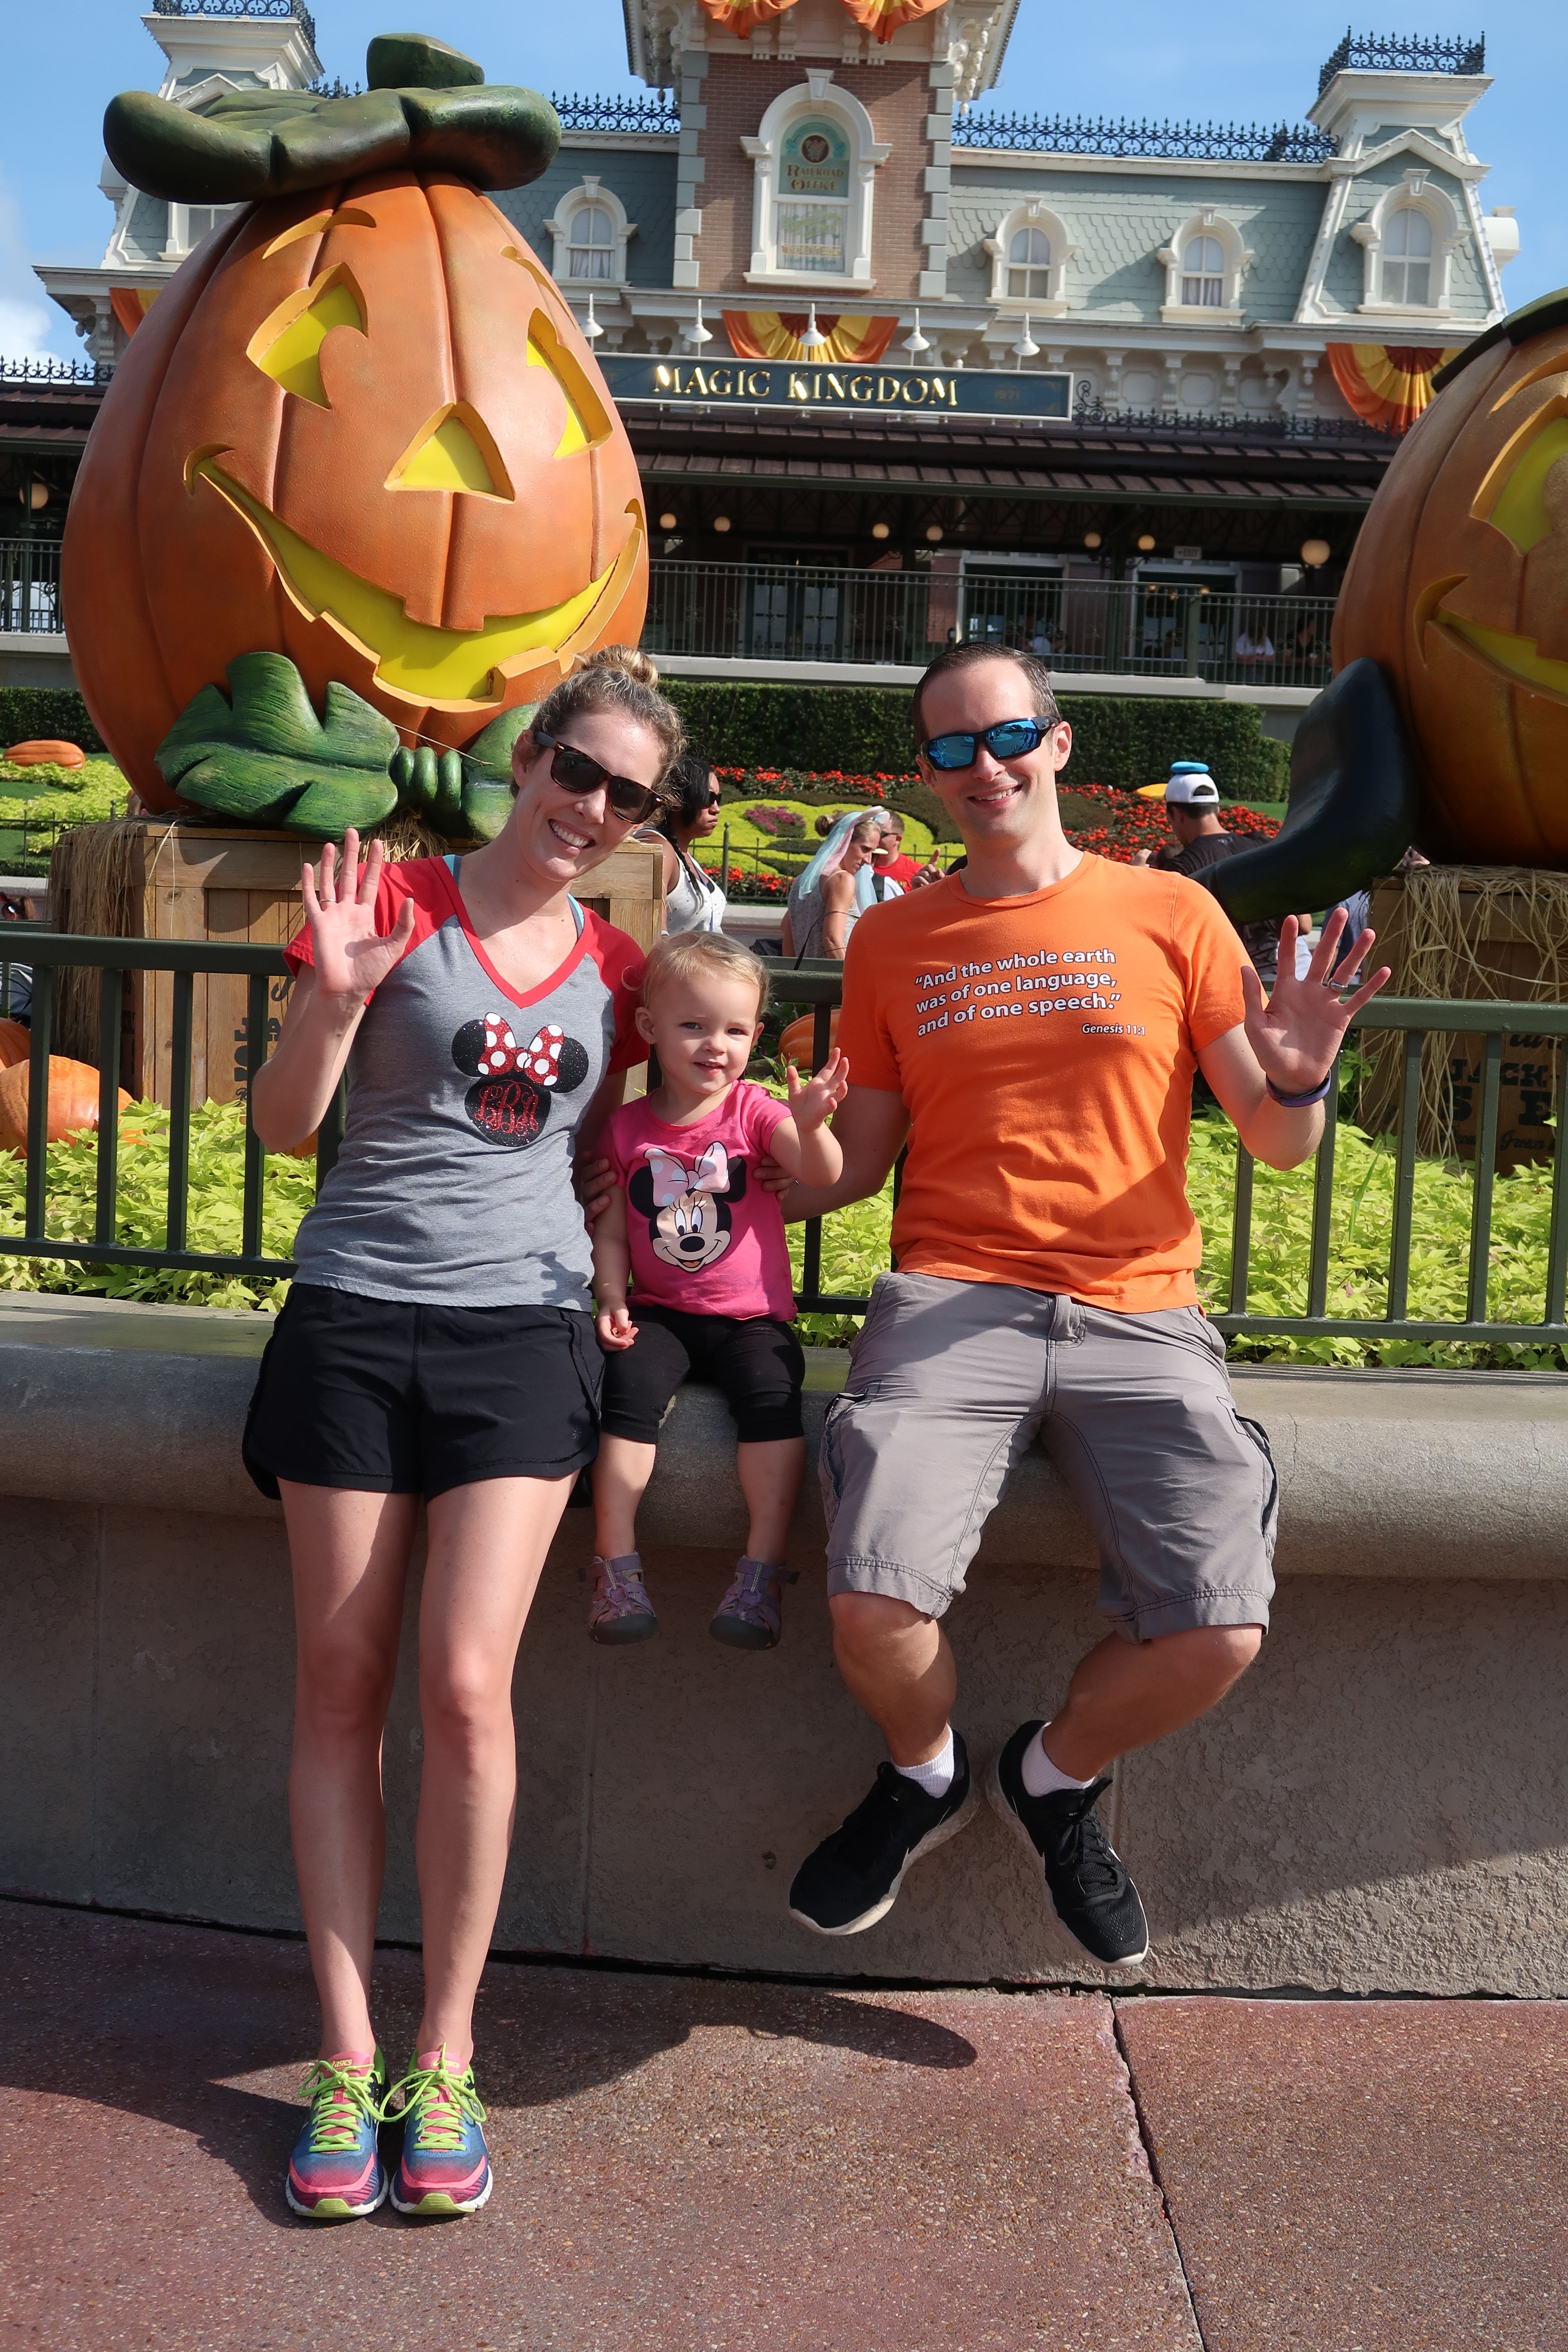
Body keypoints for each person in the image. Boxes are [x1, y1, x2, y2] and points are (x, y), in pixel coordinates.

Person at [781, 641, 1388, 1965]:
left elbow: (1279, 1142)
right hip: (951, 1305)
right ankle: (924, 1771)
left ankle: (1050, 1781)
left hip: (1138, 1312)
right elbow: (859, 1166)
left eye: (1004, 736)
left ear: (1057, 744)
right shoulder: (890, 938)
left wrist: (1294, 1075)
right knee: (873, 1608)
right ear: (931, 776)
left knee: (1219, 1626)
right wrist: (773, 1156)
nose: (981, 764)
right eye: (949, 747)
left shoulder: (1170, 915)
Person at [245, 647, 683, 2223]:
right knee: (342, 1679)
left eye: (629, 795)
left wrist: (641, 1271)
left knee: (466, 1679)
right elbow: (286, 1127)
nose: (593, 808)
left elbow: (615, 1154)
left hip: (521, 1339)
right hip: (356, 1316)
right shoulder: (394, 902)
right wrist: (334, 992)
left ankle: (447, 2051)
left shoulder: (624, 970)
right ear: (529, 758)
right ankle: (346, 2056)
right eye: (578, 771)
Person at [583, 930, 849, 1647]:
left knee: (771, 1403)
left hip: (750, 1318)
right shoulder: (627, 1127)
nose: (714, 1045)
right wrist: (611, 1297)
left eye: (733, 1029)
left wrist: (810, 1123)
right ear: (649, 1029)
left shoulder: (756, 1111)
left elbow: (819, 1171)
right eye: (693, 1025)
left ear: (755, 1034)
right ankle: (615, 1565)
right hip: (658, 1312)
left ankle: (759, 1570)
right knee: (625, 1398)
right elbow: (610, 1230)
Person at [1132, 764, 1308, 986]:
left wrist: (1138, 875)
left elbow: (1149, 933)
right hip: (1268, 981)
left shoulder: (1182, 868)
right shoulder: (1263, 850)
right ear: (1216, 810)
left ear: (1176, 814)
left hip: (1219, 985)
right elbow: (1302, 925)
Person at [781, 812, 882, 961]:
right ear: (845, 842)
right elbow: (832, 940)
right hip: (835, 978)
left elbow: (788, 943)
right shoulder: (842, 880)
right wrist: (852, 980)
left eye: (873, 852)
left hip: (807, 978)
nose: (868, 860)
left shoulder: (802, 881)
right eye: (865, 849)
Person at [649, 752, 726, 935]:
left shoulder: (683, 853)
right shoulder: (660, 849)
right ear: (678, 799)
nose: (717, 809)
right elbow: (654, 935)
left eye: (719, 799)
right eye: (708, 798)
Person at [871, 813, 923, 894]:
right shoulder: (859, 865)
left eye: (882, 834)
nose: (875, 837)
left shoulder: (916, 872)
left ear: (898, 839)